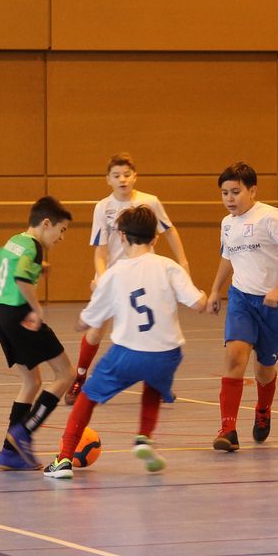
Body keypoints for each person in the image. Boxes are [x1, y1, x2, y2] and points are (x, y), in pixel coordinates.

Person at [44, 205, 206, 479]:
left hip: (128, 352)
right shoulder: (169, 266)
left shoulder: (114, 273)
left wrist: (81, 320)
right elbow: (198, 304)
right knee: (153, 385)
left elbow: (88, 319)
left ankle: (64, 459)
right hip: (167, 354)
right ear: (155, 238)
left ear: (121, 236)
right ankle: (144, 437)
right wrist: (205, 296)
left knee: (87, 397)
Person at [65, 152, 190, 405]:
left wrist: (183, 262)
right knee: (96, 331)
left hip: (145, 274)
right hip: (114, 274)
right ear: (108, 179)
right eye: (116, 175)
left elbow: (169, 230)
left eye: (126, 174)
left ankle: (156, 384)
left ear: (135, 177)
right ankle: (80, 377)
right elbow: (100, 250)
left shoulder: (150, 202)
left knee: (152, 327)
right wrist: (102, 279)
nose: (122, 179)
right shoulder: (103, 207)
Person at [205, 162, 278, 452]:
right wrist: (215, 290)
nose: (229, 198)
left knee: (264, 369)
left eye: (236, 192)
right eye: (224, 193)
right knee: (235, 357)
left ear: (252, 191)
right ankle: (228, 430)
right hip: (242, 299)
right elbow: (228, 257)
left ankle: (263, 409)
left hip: (277, 303)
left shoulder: (269, 217)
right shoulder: (227, 224)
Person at [0, 196, 76, 470]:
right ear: (46, 223)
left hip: (1, 314)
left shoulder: (14, 241)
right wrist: (37, 308)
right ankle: (24, 432)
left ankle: (9, 453)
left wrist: (37, 268)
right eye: (61, 230)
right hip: (21, 315)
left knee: (31, 381)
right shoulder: (34, 246)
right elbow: (20, 276)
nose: (61, 237)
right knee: (66, 374)